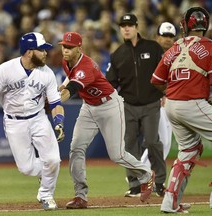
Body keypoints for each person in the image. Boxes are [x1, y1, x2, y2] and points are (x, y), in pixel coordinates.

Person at [151, 7, 212, 213]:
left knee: (189, 150)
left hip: (172, 104)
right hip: (191, 102)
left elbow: (156, 80)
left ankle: (170, 201)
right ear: (206, 25)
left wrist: (173, 91)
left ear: (185, 25)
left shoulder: (173, 48)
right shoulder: (210, 47)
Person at [58, 31, 154, 209]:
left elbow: (71, 90)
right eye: (64, 46)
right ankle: (80, 196)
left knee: (117, 155)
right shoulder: (66, 61)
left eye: (70, 47)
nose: (65, 50)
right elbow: (69, 79)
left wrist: (53, 102)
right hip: (89, 107)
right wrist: (62, 86)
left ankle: (146, 175)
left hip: (109, 106)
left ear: (79, 48)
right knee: (76, 148)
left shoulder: (86, 66)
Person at [0, 32, 65, 211]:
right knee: (26, 168)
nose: (45, 53)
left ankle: (46, 194)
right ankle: (45, 173)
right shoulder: (5, 70)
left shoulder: (47, 73)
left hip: (38, 118)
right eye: (41, 50)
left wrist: (58, 120)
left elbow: (56, 102)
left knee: (53, 159)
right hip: (14, 122)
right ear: (29, 52)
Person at [106, 13, 166, 197]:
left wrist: (165, 92)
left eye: (129, 25)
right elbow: (111, 82)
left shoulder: (153, 47)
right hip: (128, 104)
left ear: (136, 27)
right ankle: (135, 184)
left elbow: (164, 72)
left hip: (150, 102)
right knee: (129, 144)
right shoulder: (117, 54)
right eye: (123, 25)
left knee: (152, 141)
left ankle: (159, 182)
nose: (126, 28)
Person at [141, 22, 177, 165]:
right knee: (160, 140)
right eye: (164, 35)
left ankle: (147, 175)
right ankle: (140, 173)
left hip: (171, 101)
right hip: (154, 101)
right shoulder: (149, 54)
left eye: (170, 36)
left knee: (166, 142)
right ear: (157, 37)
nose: (167, 39)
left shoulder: (177, 55)